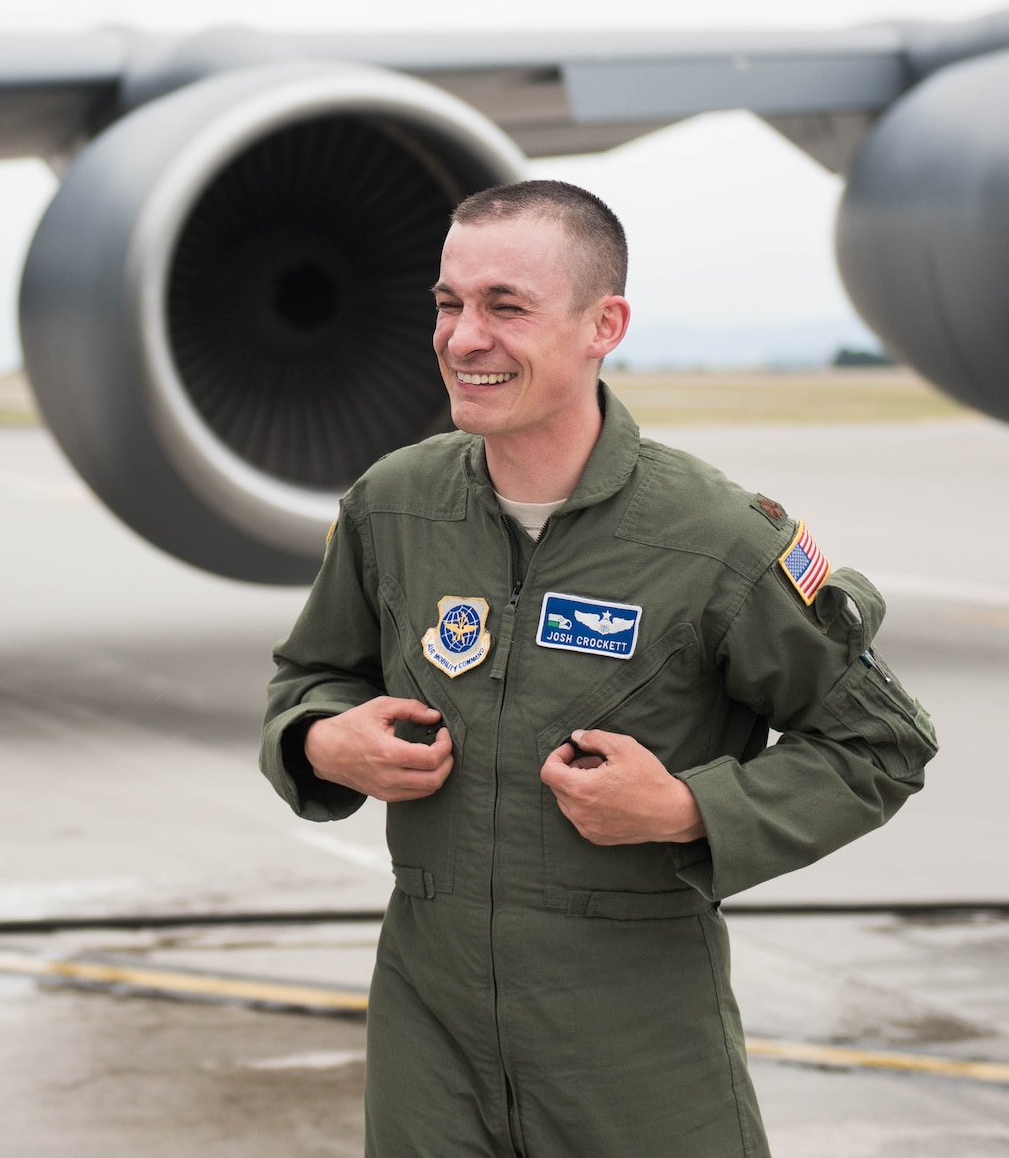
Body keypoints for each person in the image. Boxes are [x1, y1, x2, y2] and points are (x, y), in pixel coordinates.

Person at [262, 179, 935, 1156]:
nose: (461, 337)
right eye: (448, 304)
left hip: (633, 1049)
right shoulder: (390, 509)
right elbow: (305, 680)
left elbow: (878, 743)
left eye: (504, 306)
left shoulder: (712, 541)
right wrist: (325, 741)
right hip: (428, 1037)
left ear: (600, 325)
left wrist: (686, 812)